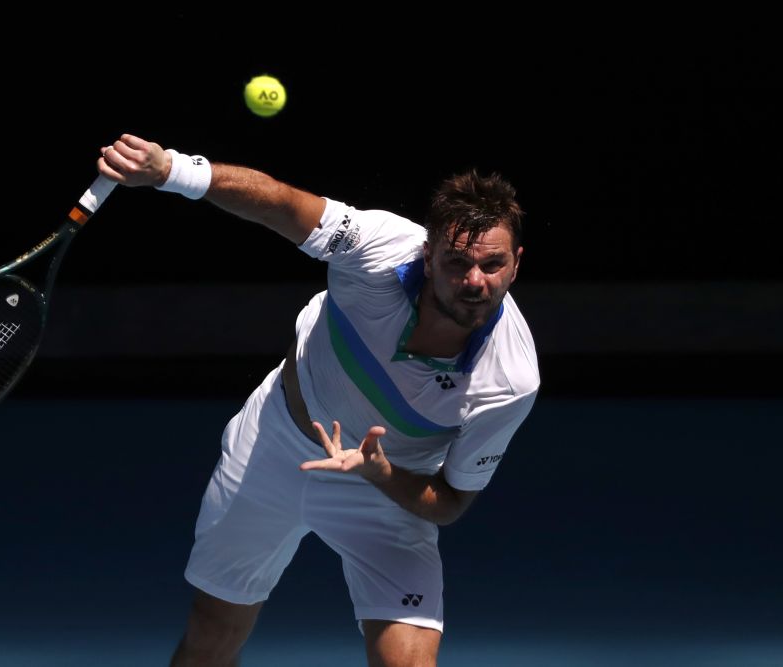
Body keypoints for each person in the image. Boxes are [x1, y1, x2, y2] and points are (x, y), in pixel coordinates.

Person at [97, 134, 539, 667]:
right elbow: (283, 204)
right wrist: (172, 170)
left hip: (387, 484)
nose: (474, 281)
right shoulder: (378, 248)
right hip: (274, 444)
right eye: (456, 262)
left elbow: (449, 502)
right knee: (210, 638)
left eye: (492, 265)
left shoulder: (510, 380)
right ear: (427, 256)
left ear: (516, 263)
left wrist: (381, 474)